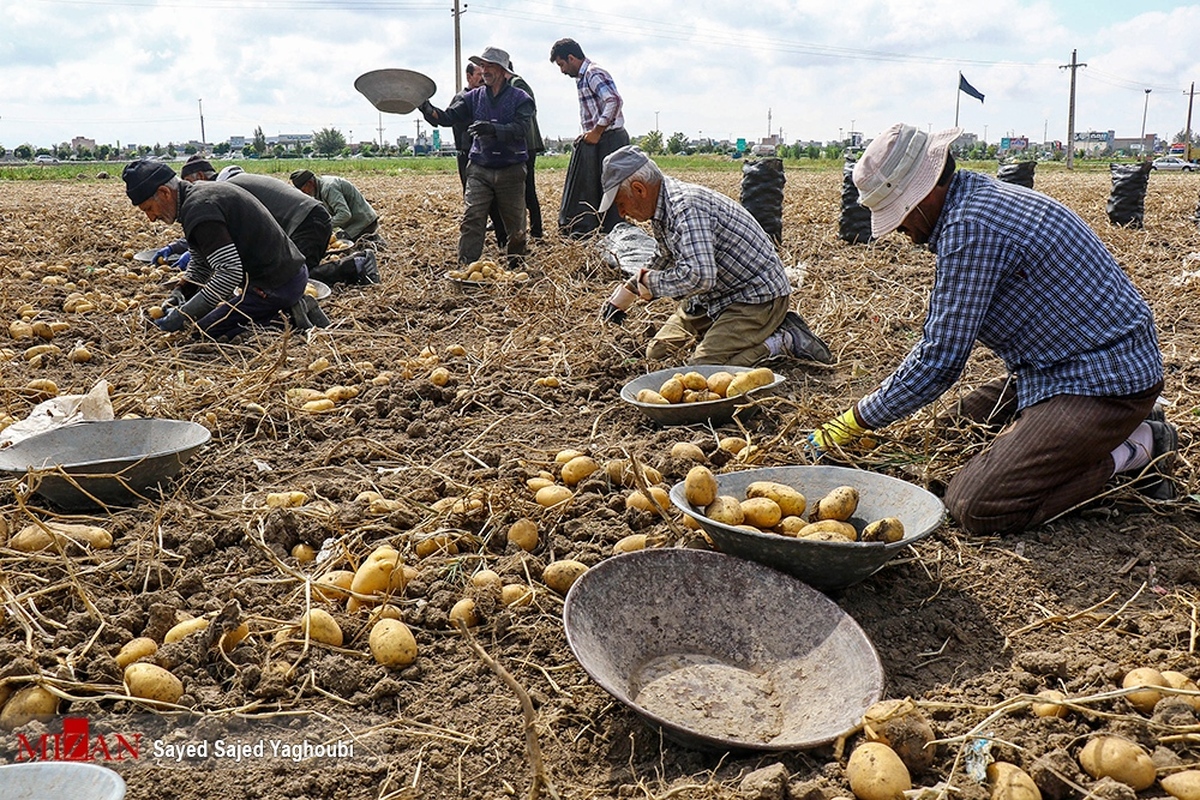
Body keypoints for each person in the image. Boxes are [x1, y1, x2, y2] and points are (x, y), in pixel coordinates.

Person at [810, 122, 1176, 536]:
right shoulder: (975, 200)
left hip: (1104, 382)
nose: (900, 231)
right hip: (1050, 368)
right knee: (952, 430)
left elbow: (940, 359)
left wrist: (857, 419)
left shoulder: (973, 226)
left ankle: (1140, 445)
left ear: (925, 194)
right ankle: (1099, 433)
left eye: (900, 215)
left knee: (976, 504)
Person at [597, 145, 832, 367]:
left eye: (621, 203)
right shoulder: (661, 209)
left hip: (753, 298)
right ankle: (723, 336)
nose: (622, 213)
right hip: (711, 298)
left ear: (639, 189)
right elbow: (664, 256)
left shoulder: (686, 208)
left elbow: (700, 277)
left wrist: (651, 284)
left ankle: (783, 340)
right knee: (657, 353)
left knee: (703, 369)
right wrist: (629, 291)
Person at [123, 158, 317, 339]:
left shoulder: (200, 209)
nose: (151, 218)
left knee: (204, 331)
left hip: (276, 285)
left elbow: (229, 273)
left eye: (149, 208)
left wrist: (184, 315)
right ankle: (278, 307)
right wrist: (181, 292)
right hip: (284, 276)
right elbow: (201, 264)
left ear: (165, 193)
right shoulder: (195, 198)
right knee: (202, 321)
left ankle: (289, 315)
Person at [419, 46, 532, 268]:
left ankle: (515, 266)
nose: (484, 70)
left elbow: (522, 128)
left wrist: (492, 129)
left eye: (489, 65)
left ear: (503, 70)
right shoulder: (474, 98)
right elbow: (447, 117)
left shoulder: (521, 99)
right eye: (482, 65)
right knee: (472, 218)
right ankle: (466, 267)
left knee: (516, 228)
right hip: (480, 168)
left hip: (511, 169)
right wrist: (426, 108)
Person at [549, 38, 629, 238]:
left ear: (571, 58)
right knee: (599, 189)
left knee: (611, 190)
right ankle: (601, 232)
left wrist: (597, 131)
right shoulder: (582, 78)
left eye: (561, 64)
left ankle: (615, 234)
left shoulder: (593, 73)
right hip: (601, 138)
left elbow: (614, 100)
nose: (562, 71)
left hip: (611, 139)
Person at [509, 59, 545, 240]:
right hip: (520, 144)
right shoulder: (509, 85)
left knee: (527, 188)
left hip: (526, 144)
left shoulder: (517, 84)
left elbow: (528, 110)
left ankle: (537, 230)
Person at [289, 169, 380, 242]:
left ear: (310, 183)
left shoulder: (328, 188)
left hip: (364, 223)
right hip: (353, 224)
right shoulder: (319, 188)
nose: (304, 193)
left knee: (341, 244)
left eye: (304, 190)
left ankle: (374, 239)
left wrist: (325, 226)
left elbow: (344, 214)